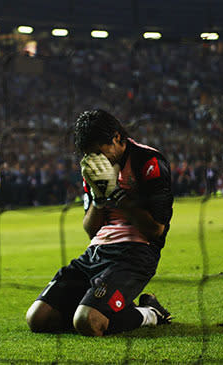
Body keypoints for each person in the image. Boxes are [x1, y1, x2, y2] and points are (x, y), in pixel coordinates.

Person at [26, 110, 173, 336]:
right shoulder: (94, 169)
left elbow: (156, 230)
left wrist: (116, 195)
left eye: (98, 152)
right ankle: (109, 309)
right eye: (89, 154)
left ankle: (150, 313)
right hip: (96, 253)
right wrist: (98, 197)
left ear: (116, 138)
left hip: (135, 254)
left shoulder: (148, 161)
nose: (94, 159)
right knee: (38, 318)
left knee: (88, 322)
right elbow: (91, 229)